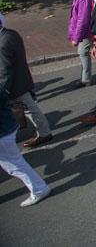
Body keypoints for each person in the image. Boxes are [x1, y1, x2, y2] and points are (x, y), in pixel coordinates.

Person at [0, 12, 53, 147]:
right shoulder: (11, 34)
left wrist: (4, 91)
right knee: (29, 108)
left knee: (30, 109)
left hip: (14, 86)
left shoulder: (2, 43)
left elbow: (5, 71)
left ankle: (44, 133)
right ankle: (44, 132)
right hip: (21, 80)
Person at [0, 84, 51, 207]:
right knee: (15, 164)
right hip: (7, 128)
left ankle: (39, 190)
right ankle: (39, 189)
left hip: (3, 133)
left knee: (14, 166)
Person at [65, 0, 93, 88]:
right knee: (92, 52)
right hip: (86, 32)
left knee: (85, 52)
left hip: (87, 32)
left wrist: (76, 38)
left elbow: (82, 19)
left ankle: (86, 79)